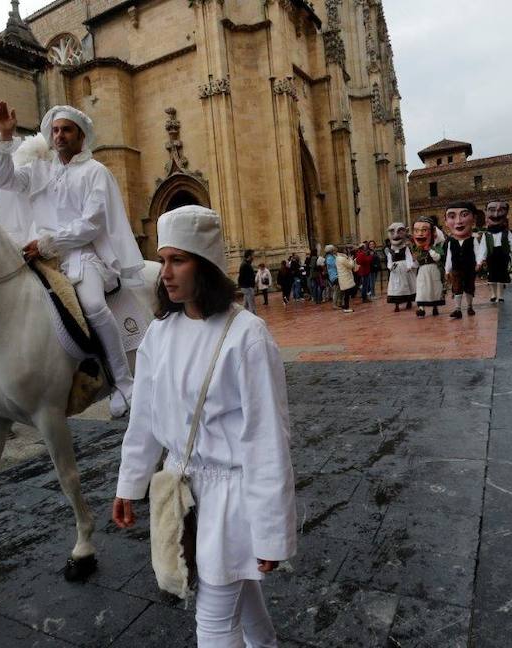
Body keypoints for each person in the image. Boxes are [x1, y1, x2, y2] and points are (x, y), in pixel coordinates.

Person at [112, 205, 296, 647]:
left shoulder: (246, 335)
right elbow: (146, 418)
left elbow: (267, 438)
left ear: (206, 265)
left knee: (214, 624)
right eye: (163, 260)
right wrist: (129, 483)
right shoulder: (160, 333)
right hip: (184, 488)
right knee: (241, 598)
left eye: (179, 260)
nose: (166, 273)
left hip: (231, 497)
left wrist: (270, 530)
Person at [0, 102, 144, 418]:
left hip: (82, 254)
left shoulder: (95, 172)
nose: (59, 135)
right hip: (37, 256)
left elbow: (93, 223)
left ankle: (122, 382)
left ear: (81, 135)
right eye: (55, 130)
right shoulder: (39, 169)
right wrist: (5, 136)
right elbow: (2, 179)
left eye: (66, 130)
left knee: (94, 305)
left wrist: (50, 243)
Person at [444, 201, 486, 318]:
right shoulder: (450, 242)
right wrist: (447, 270)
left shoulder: (472, 240)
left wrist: (478, 263)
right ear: (446, 222)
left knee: (469, 287)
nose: (458, 221)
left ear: (473, 219)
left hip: (469, 267)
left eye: (464, 215)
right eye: (452, 217)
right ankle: (457, 309)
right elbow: (449, 256)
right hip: (456, 268)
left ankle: (469, 306)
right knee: (456, 287)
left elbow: (478, 252)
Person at [483, 199, 512, 303]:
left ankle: (500, 295)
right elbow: (483, 247)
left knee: (501, 275)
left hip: (502, 254)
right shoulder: (486, 234)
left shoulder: (506, 232)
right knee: (491, 275)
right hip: (491, 255)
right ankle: (493, 294)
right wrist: (480, 259)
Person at [410, 216, 445, 317]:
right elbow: (416, 264)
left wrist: (429, 249)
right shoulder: (418, 250)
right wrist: (414, 261)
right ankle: (421, 308)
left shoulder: (436, 247)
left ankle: (435, 307)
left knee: (434, 288)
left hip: (433, 269)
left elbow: (437, 258)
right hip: (422, 271)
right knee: (422, 288)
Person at [384, 222, 416, 312]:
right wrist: (390, 267)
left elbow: (408, 256)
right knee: (396, 286)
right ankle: (396, 304)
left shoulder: (405, 248)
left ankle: (408, 300)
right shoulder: (390, 251)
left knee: (406, 284)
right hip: (395, 269)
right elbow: (389, 259)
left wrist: (409, 266)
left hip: (404, 266)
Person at [335, 246, 357, 313]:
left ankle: (345, 306)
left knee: (346, 293)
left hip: (343, 277)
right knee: (347, 293)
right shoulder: (342, 259)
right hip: (346, 277)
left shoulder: (338, 258)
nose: (346, 251)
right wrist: (352, 260)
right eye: (345, 250)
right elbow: (350, 266)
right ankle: (346, 307)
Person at [238, 249, 257, 315]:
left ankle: (242, 316)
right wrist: (250, 285)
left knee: (245, 305)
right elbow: (242, 277)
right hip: (247, 287)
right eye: (253, 255)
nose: (254, 257)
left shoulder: (246, 264)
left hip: (246, 286)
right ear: (249, 256)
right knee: (251, 305)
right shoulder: (245, 265)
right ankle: (254, 317)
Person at [324, 244, 340, 309]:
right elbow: (335, 265)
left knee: (338, 289)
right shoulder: (329, 257)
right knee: (336, 290)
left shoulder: (331, 256)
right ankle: (334, 304)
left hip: (336, 274)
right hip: (334, 275)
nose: (334, 250)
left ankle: (337, 303)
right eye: (333, 249)